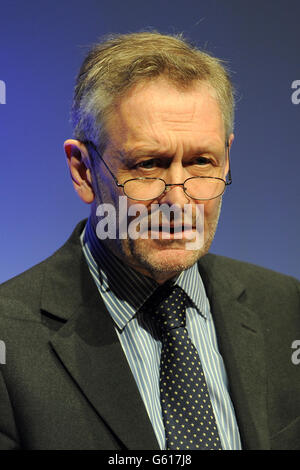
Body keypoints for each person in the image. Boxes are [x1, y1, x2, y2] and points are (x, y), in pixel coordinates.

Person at [0, 31, 299, 451]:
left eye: (201, 161)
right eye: (147, 165)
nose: (178, 198)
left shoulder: (287, 308)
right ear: (83, 170)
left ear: (227, 158)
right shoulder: (8, 342)